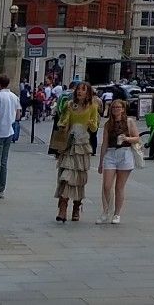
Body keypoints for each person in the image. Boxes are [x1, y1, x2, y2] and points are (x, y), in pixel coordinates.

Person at [53, 82, 99, 223]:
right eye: (78, 89)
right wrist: (63, 123)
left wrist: (91, 123)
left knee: (78, 179)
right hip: (69, 144)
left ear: (88, 93)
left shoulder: (92, 106)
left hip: (82, 145)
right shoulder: (70, 105)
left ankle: (76, 207)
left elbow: (94, 128)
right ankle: (62, 208)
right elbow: (62, 121)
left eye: (83, 90)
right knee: (65, 177)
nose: (80, 92)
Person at [97, 98, 141, 225]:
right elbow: (104, 143)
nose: (116, 109)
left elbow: (137, 138)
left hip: (125, 153)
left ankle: (117, 213)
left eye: (118, 107)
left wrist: (126, 138)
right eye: (114, 107)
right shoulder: (108, 124)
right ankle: (106, 211)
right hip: (110, 153)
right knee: (106, 185)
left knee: (119, 187)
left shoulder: (129, 121)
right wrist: (101, 162)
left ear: (123, 109)